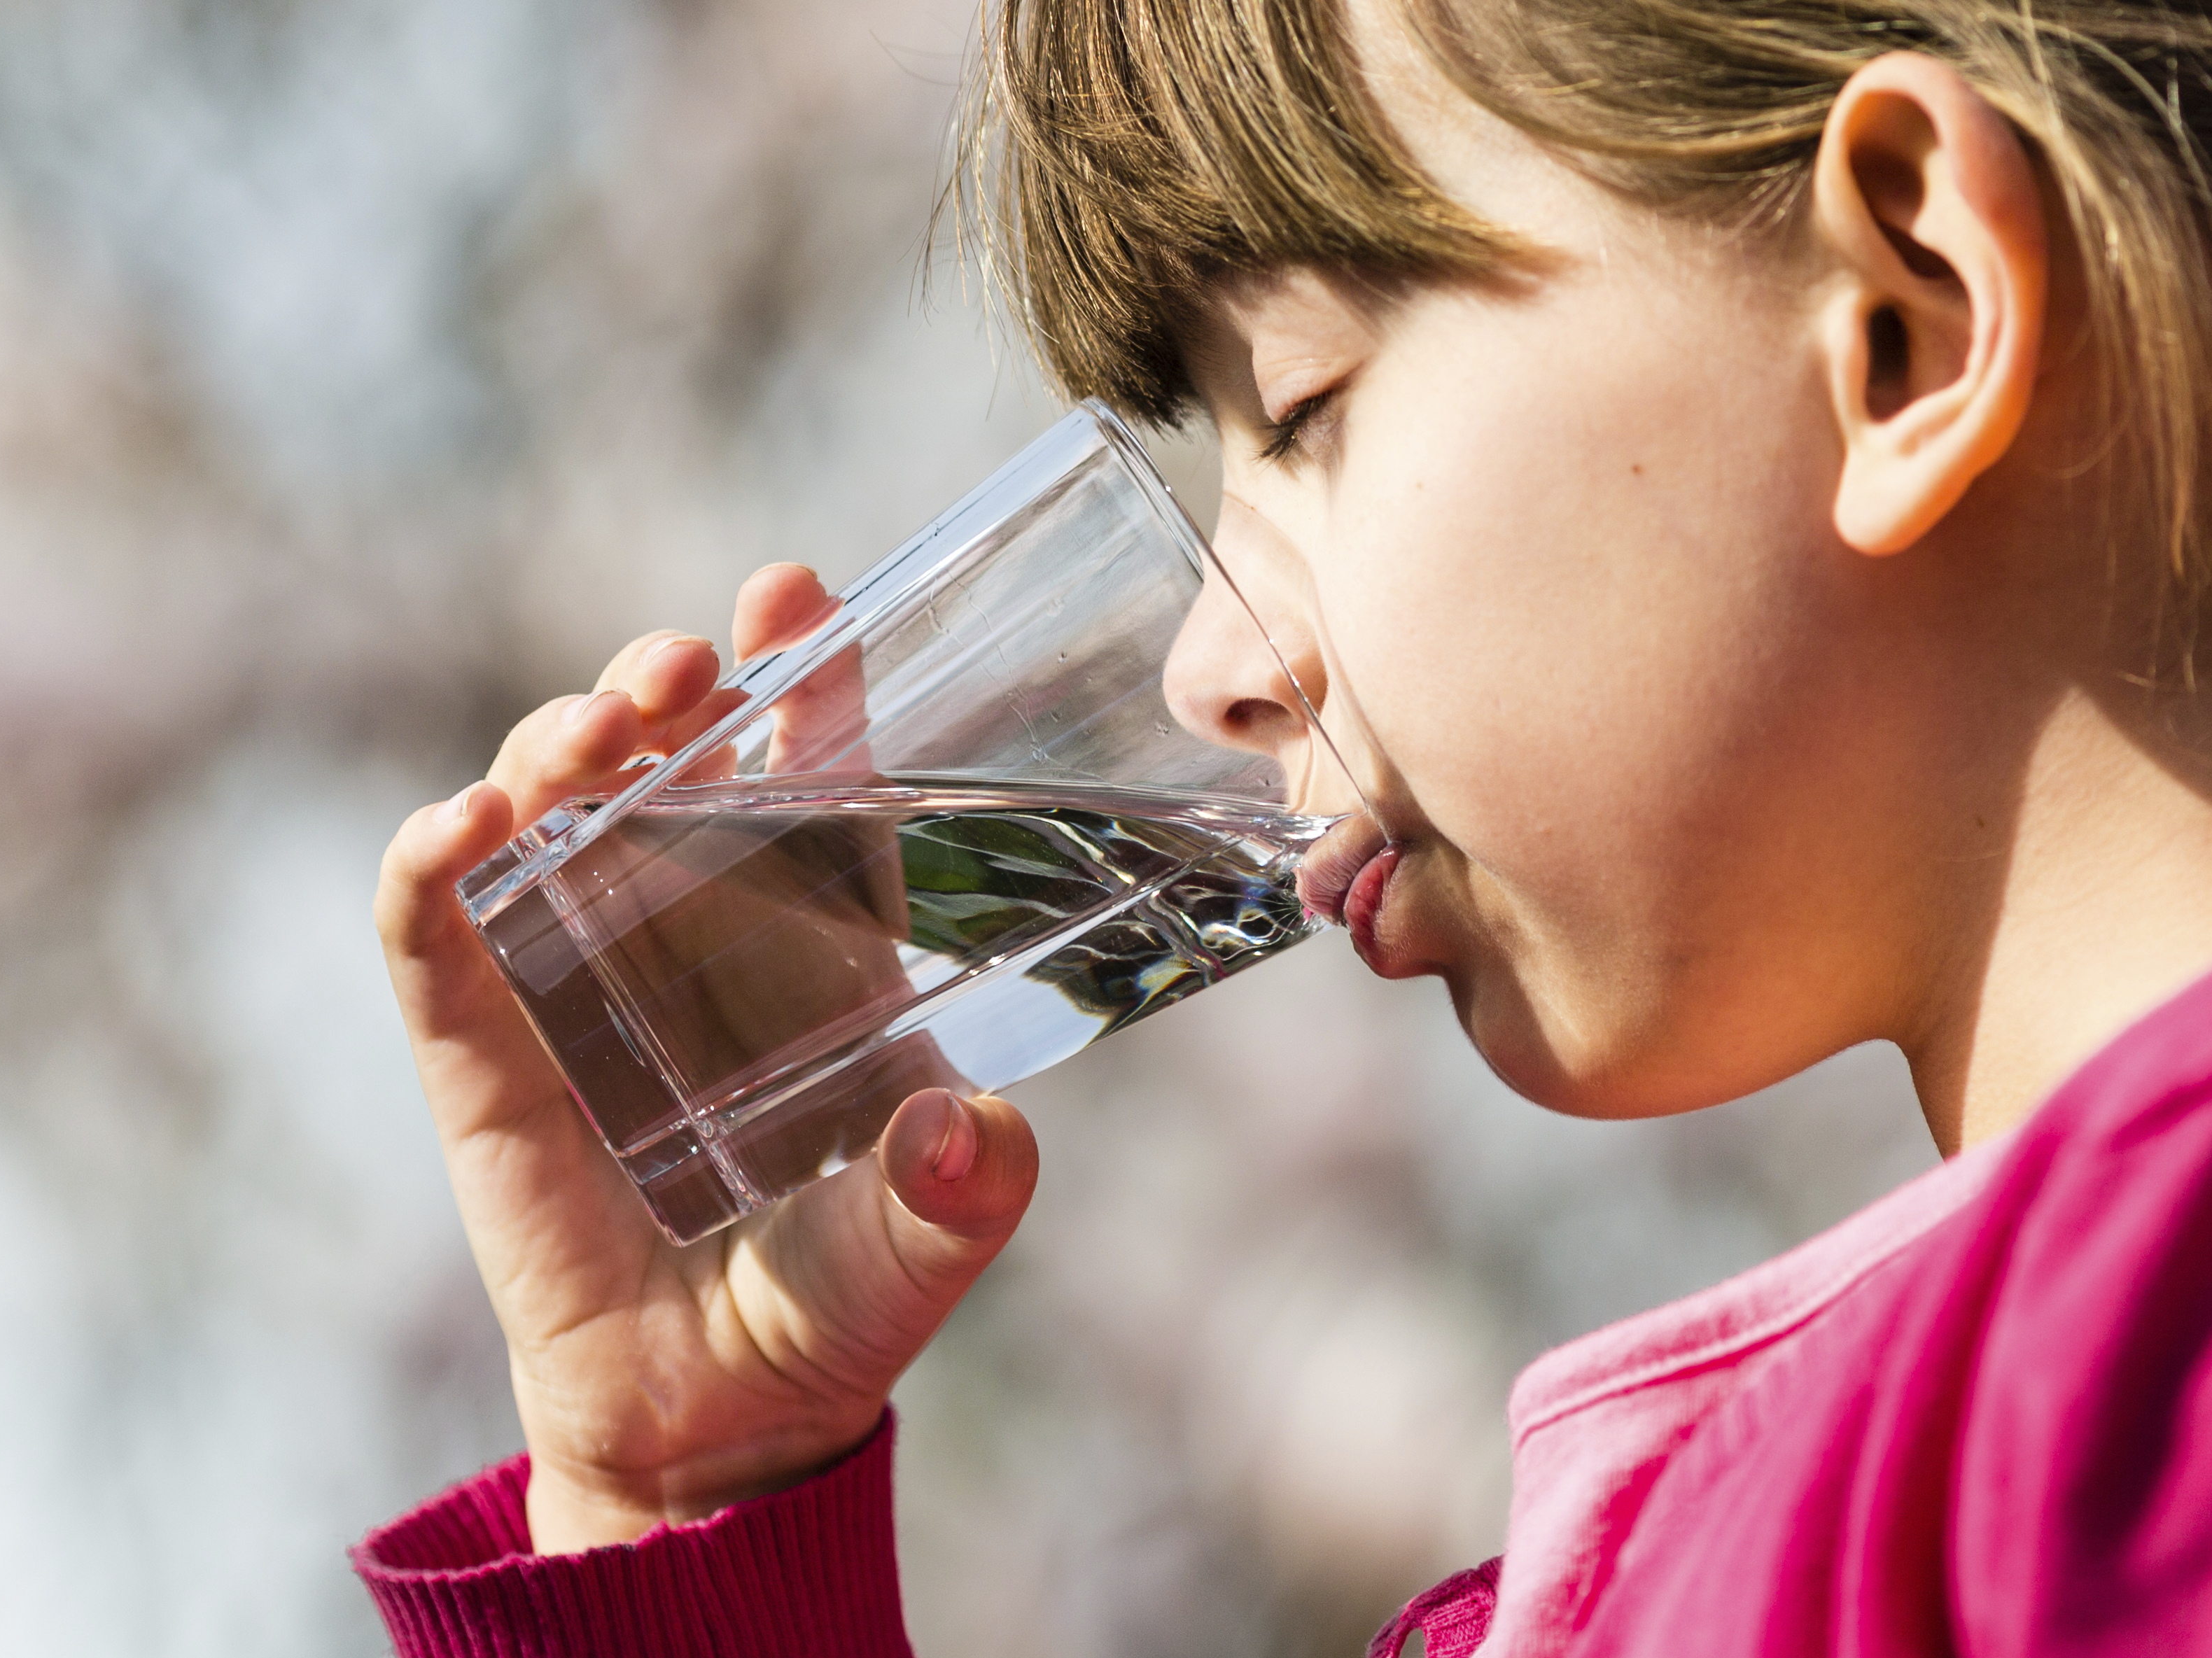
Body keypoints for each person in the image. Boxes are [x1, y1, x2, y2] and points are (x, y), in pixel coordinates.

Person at [360, 0, 2212, 1652]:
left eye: (1304, 404)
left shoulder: (2112, 1389)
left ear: (1907, 310)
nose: (1207, 669)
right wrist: (691, 1512)